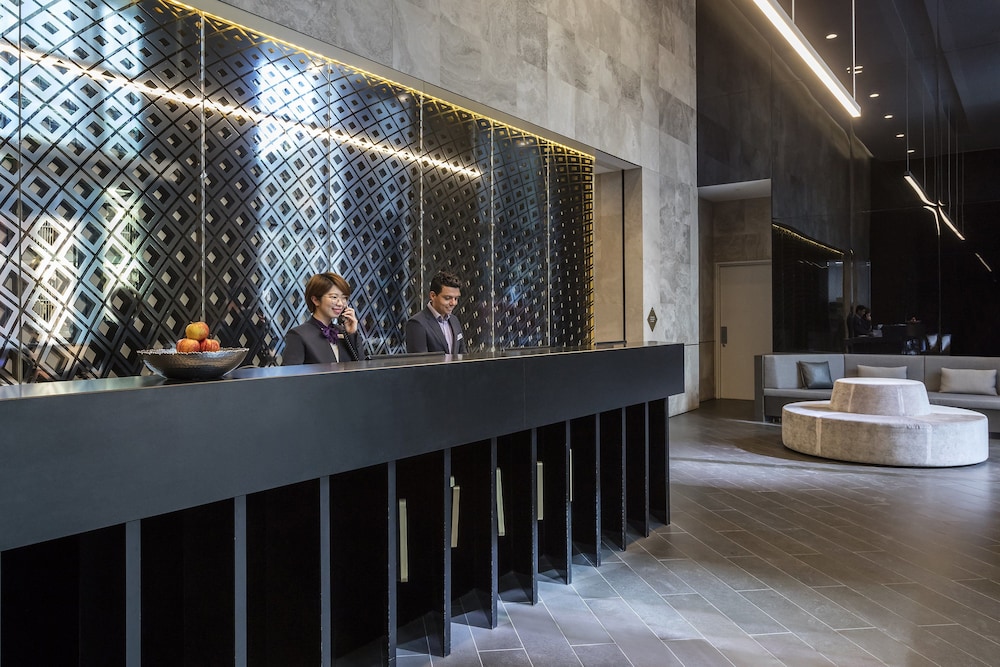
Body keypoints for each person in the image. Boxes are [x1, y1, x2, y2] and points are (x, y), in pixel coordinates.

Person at [283, 272, 362, 365]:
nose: (340, 303)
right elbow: (291, 373)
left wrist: (352, 334)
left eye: (344, 298)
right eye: (334, 297)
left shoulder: (343, 332)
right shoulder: (299, 335)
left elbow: (362, 367)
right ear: (315, 300)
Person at [405, 270, 467, 354]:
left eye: (456, 298)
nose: (453, 303)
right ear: (433, 296)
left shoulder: (454, 320)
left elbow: (463, 355)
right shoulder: (417, 323)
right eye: (448, 298)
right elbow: (419, 361)